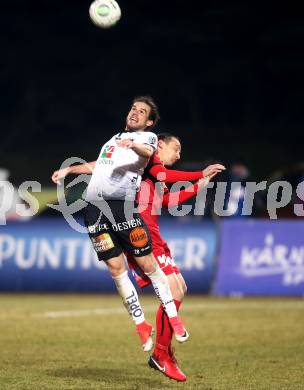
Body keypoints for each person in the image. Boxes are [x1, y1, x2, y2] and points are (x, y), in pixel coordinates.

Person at [51, 96, 190, 354]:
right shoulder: (113, 139)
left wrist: (134, 146)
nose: (135, 113)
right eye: (133, 109)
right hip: (94, 211)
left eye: (142, 111)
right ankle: (141, 325)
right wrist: (69, 171)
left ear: (149, 121)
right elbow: (99, 165)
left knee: (149, 265)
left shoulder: (147, 138)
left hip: (122, 208)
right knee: (116, 270)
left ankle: (174, 318)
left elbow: (147, 153)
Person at [126, 133, 225, 381]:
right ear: (160, 145)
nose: (179, 155)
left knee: (180, 287)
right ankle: (161, 355)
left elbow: (166, 201)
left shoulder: (155, 176)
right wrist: (199, 174)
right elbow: (165, 176)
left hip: (155, 238)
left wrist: (199, 186)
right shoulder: (149, 163)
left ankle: (163, 353)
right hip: (141, 235)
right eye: (176, 149)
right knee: (173, 290)